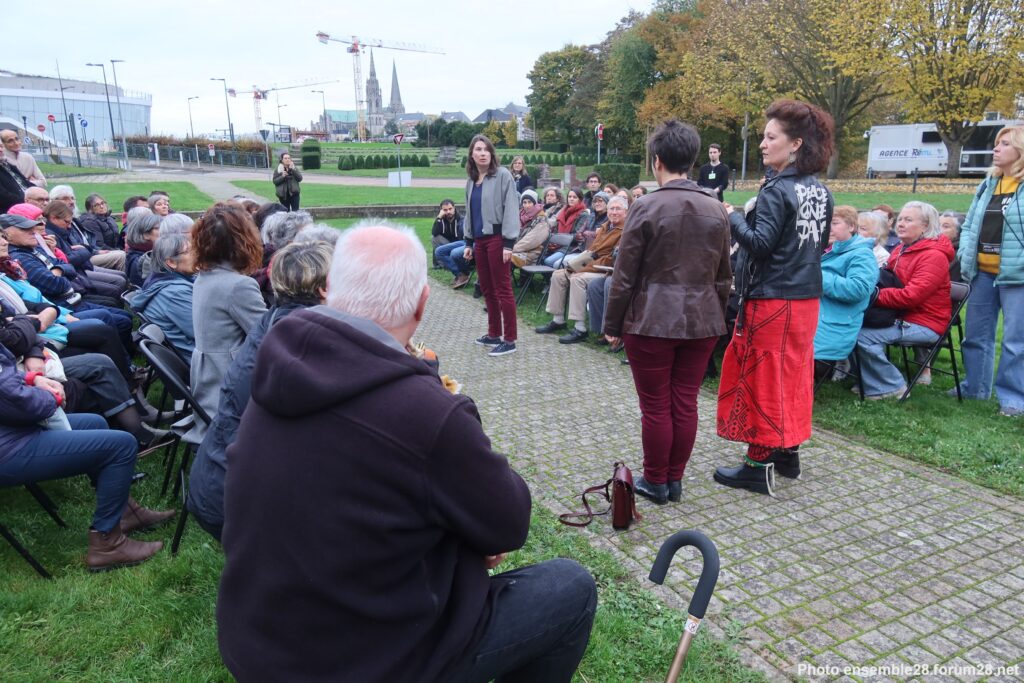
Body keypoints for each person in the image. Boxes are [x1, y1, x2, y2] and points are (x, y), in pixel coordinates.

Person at [216, 223, 596, 682]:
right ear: (422, 302)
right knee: (570, 587)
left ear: (330, 290)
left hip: (257, 647)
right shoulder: (427, 412)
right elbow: (509, 523)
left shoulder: (281, 367)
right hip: (364, 666)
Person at [602, 121, 732, 504]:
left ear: (656, 161)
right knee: (685, 401)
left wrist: (612, 324)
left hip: (651, 320)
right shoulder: (715, 208)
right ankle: (672, 481)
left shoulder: (645, 206)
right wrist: (717, 317)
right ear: (692, 160)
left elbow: (624, 275)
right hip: (703, 320)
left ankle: (657, 480)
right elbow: (724, 274)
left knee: (657, 405)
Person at [714, 99, 835, 495]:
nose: (763, 145)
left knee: (763, 378)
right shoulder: (820, 191)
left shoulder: (776, 190)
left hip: (773, 299)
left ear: (795, 143)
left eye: (770, 137)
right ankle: (788, 453)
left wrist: (731, 216)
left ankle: (757, 463)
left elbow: (760, 245)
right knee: (795, 374)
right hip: (805, 299)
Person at [188, 241, 333, 541]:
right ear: (324, 289)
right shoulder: (302, 338)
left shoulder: (277, 320)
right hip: (237, 498)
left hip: (217, 476)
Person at [0, 343, 175, 572]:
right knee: (121, 446)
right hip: (9, 446)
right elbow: (16, 401)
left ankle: (126, 513)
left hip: (13, 426)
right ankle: (107, 543)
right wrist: (52, 398)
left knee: (96, 422)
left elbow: (8, 373)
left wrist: (34, 378)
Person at [954, 124, 1024, 417]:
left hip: (1017, 275)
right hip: (982, 271)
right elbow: (970, 224)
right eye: (997, 144)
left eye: (1004, 144)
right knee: (975, 335)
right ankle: (976, 388)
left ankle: (1013, 399)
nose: (996, 149)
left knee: (1015, 341)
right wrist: (964, 252)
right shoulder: (988, 184)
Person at [854, 201, 954, 399]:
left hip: (925, 322)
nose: (901, 224)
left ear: (925, 226)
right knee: (850, 326)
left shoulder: (933, 256)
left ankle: (893, 386)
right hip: (901, 314)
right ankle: (870, 381)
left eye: (908, 220)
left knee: (861, 336)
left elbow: (911, 297)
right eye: (900, 219)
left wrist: (873, 295)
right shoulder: (902, 249)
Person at [189, 203, 267, 442]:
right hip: (229, 386)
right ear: (245, 240)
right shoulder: (238, 286)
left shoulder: (204, 277)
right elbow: (270, 337)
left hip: (207, 379)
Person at [537, 194, 627, 344]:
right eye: (611, 208)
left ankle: (580, 328)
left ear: (626, 211)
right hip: (591, 265)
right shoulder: (605, 227)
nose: (614, 212)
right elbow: (592, 251)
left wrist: (583, 268)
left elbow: (612, 259)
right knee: (558, 274)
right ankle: (558, 320)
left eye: (618, 209)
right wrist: (577, 265)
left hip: (605, 270)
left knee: (577, 279)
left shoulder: (625, 230)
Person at [462, 134, 520, 357]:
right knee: (487, 288)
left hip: (497, 240)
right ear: (472, 154)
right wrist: (468, 241)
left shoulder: (503, 175)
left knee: (503, 289)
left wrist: (508, 243)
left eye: (486, 149)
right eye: (478, 149)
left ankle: (510, 339)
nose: (483, 153)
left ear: (492, 153)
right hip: (479, 241)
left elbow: (511, 209)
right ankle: (494, 333)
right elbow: (469, 213)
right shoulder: (471, 181)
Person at [813, 205, 879, 378]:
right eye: (825, 224)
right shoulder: (824, 250)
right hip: (813, 318)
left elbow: (858, 289)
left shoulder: (861, 254)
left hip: (831, 326)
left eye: (834, 223)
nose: (828, 228)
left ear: (851, 227)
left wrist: (814, 275)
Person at [131, 232, 196, 359]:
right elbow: (207, 333)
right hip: (207, 363)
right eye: (189, 251)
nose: (197, 254)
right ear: (171, 262)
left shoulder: (158, 279)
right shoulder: (175, 294)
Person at [544, 187, 590, 268]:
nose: (571, 199)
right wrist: (554, 241)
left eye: (574, 197)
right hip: (558, 244)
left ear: (580, 199)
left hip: (571, 247)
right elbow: (556, 229)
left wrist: (560, 239)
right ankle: (548, 280)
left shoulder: (583, 214)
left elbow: (577, 235)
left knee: (548, 261)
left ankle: (555, 280)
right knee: (541, 258)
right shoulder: (563, 211)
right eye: (569, 197)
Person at [510, 189, 551, 268]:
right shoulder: (519, 215)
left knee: (503, 258)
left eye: (530, 202)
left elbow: (530, 241)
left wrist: (511, 249)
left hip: (529, 254)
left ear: (535, 203)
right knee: (494, 255)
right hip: (516, 250)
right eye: (524, 202)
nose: (527, 205)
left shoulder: (541, 219)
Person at [124, 212, 162, 287]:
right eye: (159, 228)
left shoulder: (141, 252)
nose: (165, 231)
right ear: (146, 234)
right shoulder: (142, 261)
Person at [430, 199, 463, 268]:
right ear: (441, 211)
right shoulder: (441, 219)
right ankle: (442, 264)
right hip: (447, 243)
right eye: (445, 210)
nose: (448, 212)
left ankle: (453, 263)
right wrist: (439, 218)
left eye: (450, 209)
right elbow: (434, 233)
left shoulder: (461, 219)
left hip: (459, 244)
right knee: (434, 238)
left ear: (454, 208)